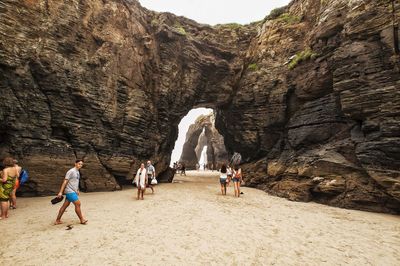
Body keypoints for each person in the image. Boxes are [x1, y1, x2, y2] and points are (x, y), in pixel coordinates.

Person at [54, 160, 87, 225]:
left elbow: (75, 182)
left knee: (64, 206)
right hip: (69, 191)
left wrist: (77, 190)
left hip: (73, 191)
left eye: (81, 164)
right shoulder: (71, 171)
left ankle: (57, 220)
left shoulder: (77, 172)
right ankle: (82, 220)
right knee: (78, 204)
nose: (80, 165)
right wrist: (60, 192)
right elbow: (65, 181)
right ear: (75, 164)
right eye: (79, 164)